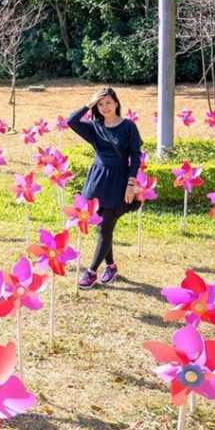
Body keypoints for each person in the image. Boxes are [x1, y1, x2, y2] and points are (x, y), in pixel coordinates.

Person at [67, 86, 142, 289]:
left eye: (108, 102)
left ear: (116, 103)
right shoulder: (94, 127)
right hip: (97, 180)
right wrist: (88, 104)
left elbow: (135, 157)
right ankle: (111, 265)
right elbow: (71, 121)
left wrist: (131, 184)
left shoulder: (128, 127)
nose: (105, 107)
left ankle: (91, 272)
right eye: (100, 104)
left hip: (119, 181)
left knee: (106, 226)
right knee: (102, 226)